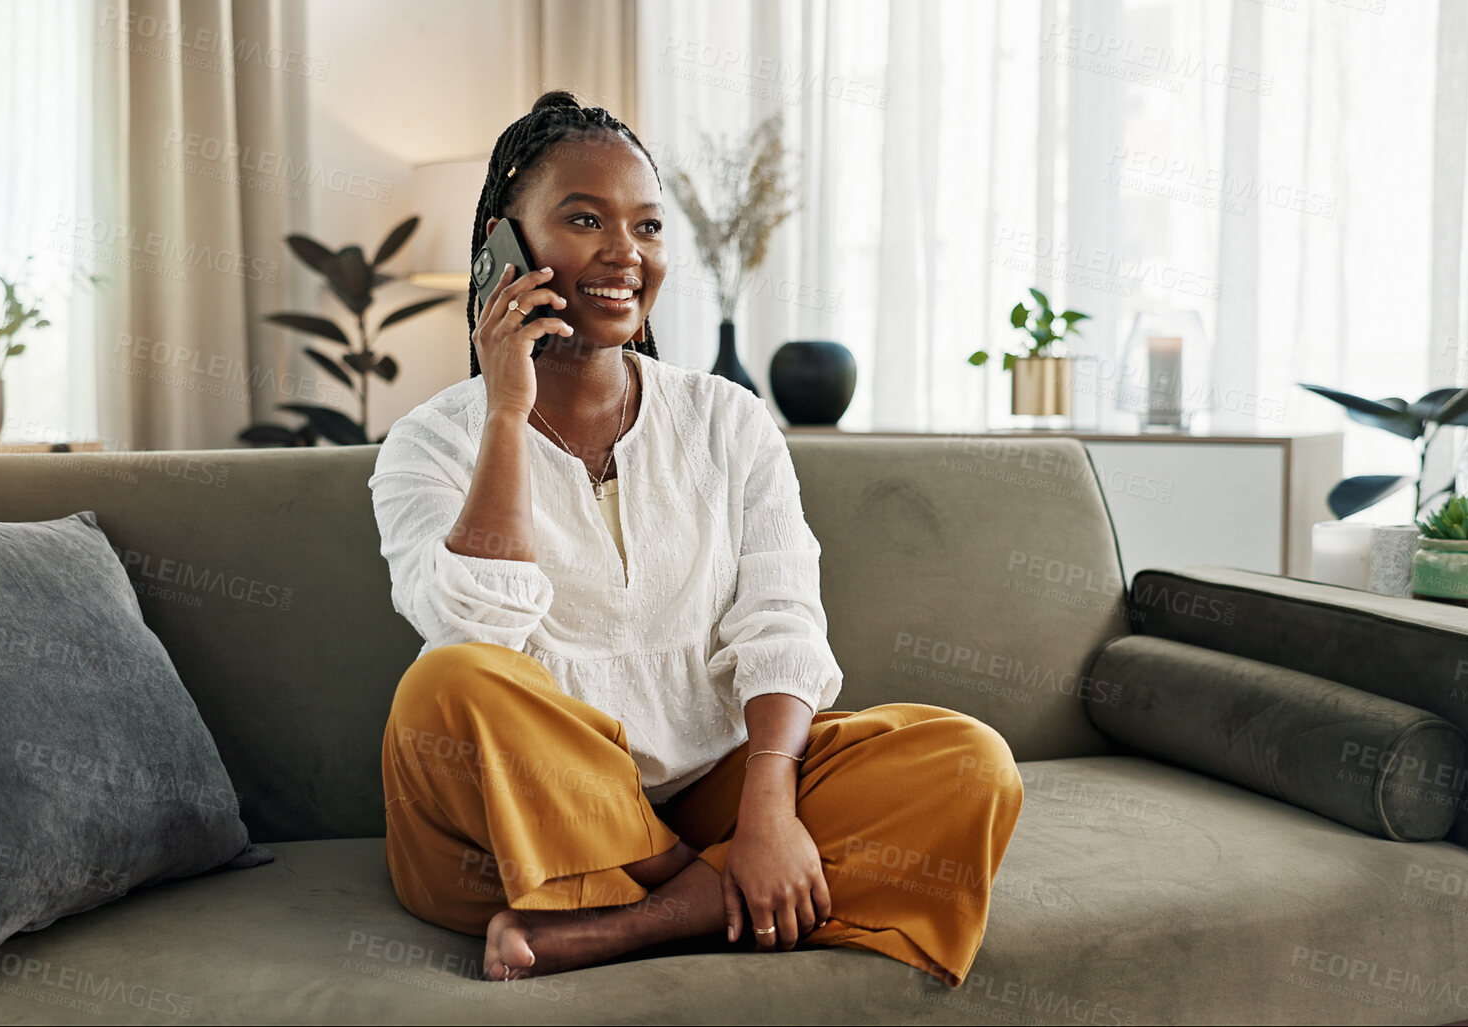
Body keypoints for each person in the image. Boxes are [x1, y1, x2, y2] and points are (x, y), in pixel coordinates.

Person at [368, 90, 1023, 986]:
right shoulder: (428, 444)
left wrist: (767, 811)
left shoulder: (728, 420)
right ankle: (722, 896)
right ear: (500, 242)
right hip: (509, 831)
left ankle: (620, 927)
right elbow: (482, 634)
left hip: (714, 796)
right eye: (585, 219)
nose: (623, 254)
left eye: (646, 226)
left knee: (967, 762)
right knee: (450, 682)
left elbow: (782, 624)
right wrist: (506, 409)